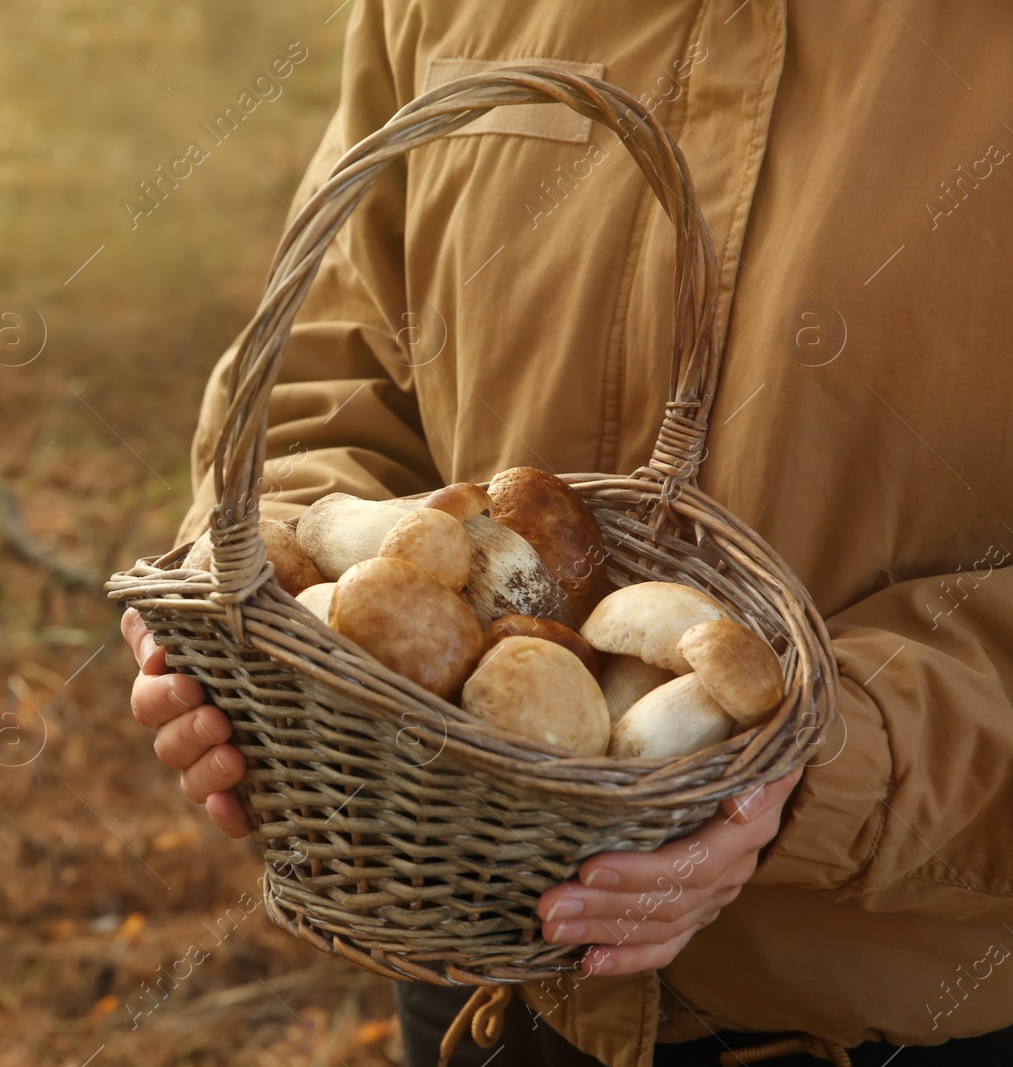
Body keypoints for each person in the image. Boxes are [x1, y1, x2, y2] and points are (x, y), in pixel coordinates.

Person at [124, 2, 1013, 1064]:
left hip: (895, 1013)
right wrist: (261, 616)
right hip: (482, 980)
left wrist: (817, 764)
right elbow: (332, 369)